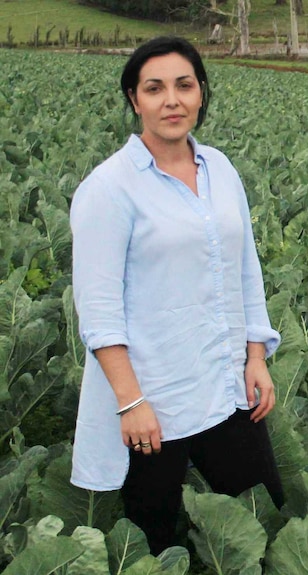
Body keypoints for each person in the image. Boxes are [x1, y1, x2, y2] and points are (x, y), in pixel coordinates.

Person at [69, 36, 284, 554]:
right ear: (134, 100)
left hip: (225, 384)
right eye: (155, 88)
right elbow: (98, 311)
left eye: (184, 86)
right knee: (158, 543)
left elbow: (244, 268)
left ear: (201, 94)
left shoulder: (219, 169)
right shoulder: (108, 188)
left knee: (265, 518)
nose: (172, 100)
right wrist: (131, 402)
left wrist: (256, 355)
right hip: (154, 398)